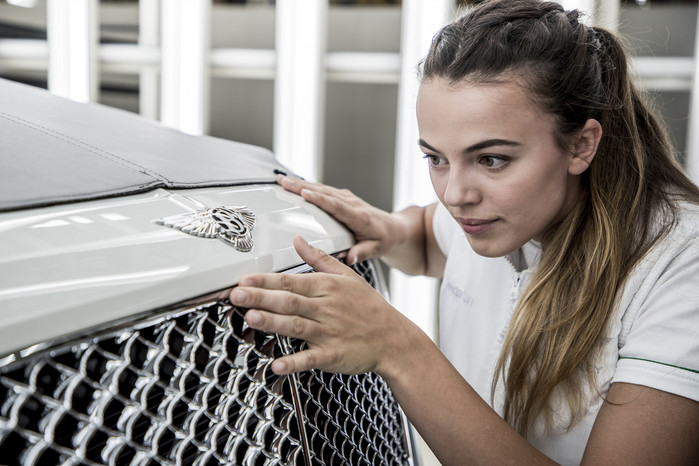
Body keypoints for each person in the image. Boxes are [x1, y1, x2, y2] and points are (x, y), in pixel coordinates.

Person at [229, 0, 699, 464]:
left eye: (491, 159)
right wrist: (388, 230)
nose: (454, 195)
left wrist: (399, 350)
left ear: (581, 145)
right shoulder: (496, 212)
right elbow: (427, 240)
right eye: (436, 158)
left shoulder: (682, 265)